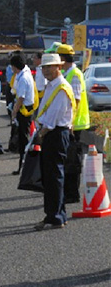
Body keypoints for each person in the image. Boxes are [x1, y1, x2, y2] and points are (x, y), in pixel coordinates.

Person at [33, 53, 75, 230]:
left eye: (50, 66)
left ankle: (54, 217)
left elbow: (52, 119)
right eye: (44, 67)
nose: (46, 70)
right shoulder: (51, 86)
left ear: (59, 67)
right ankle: (58, 214)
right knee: (52, 176)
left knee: (54, 177)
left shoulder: (62, 88)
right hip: (52, 133)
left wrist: (40, 134)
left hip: (55, 134)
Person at [57, 43, 90, 203]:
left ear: (63, 59)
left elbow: (76, 100)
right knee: (68, 159)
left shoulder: (75, 74)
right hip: (71, 123)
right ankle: (68, 192)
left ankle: (72, 194)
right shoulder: (67, 73)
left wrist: (69, 122)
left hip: (75, 124)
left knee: (72, 160)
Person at [10, 53, 37, 175]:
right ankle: (23, 165)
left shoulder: (23, 78)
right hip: (28, 110)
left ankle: (24, 166)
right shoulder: (26, 74)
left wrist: (14, 112)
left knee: (23, 140)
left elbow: (20, 98)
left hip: (24, 112)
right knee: (24, 138)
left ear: (15, 67)